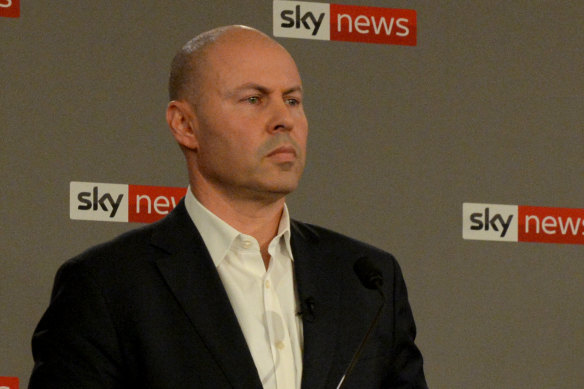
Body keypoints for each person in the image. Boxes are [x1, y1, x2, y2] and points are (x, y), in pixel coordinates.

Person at [29, 25, 427, 389]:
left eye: (292, 100)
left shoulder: (368, 280)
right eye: (254, 99)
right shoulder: (107, 286)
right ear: (185, 125)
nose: (282, 119)